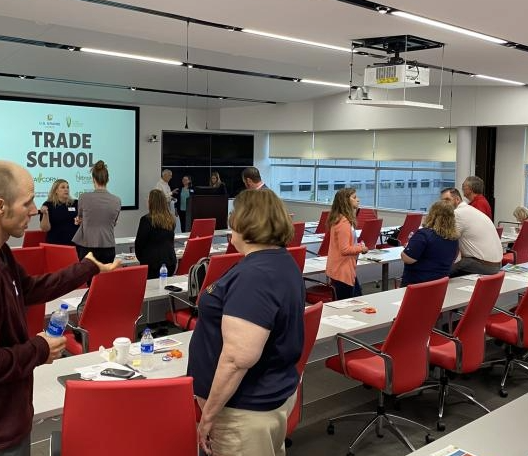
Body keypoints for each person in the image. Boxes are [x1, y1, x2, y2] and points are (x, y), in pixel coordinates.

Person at [0, 160, 119, 455]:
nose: (35, 210)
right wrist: (39, 348)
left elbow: (31, 288)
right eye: (27, 203)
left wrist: (87, 268)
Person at [188, 189, 304, 456]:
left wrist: (208, 415)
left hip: (243, 410)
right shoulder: (280, 261)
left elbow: (237, 359)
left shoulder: (255, 275)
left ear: (244, 221)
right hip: (268, 397)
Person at [441, 188, 503, 277]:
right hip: (496, 264)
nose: (444, 204)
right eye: (442, 201)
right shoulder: (471, 210)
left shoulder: (457, 213)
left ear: (457, 199)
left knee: (439, 274)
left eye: (447, 200)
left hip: (482, 264)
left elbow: (448, 239)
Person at [400, 200, 459, 286]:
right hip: (439, 285)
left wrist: (409, 247)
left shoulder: (423, 234)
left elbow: (407, 259)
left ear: (432, 215)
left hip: (418, 285)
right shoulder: (454, 238)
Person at [72, 160, 121, 263]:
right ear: (107, 179)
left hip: (88, 247)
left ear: (93, 179)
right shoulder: (117, 200)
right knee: (105, 279)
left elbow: (79, 219)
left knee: (88, 279)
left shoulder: (83, 197)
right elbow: (114, 222)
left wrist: (80, 221)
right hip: (108, 247)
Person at [325, 188, 368, 299]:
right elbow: (344, 250)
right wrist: (361, 248)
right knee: (349, 305)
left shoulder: (343, 219)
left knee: (357, 300)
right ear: (345, 201)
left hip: (345, 268)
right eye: (354, 198)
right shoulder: (343, 222)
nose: (358, 200)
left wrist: (358, 247)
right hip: (342, 271)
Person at [135, 189, 177, 279]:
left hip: (152, 264)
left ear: (151, 202)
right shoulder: (171, 219)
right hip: (170, 262)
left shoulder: (146, 220)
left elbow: (139, 244)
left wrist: (143, 259)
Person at [38, 178, 78, 245]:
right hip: (55, 244)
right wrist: (45, 214)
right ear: (56, 190)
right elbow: (45, 229)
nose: (66, 189)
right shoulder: (48, 205)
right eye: (63, 187)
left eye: (67, 187)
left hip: (74, 244)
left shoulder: (75, 203)